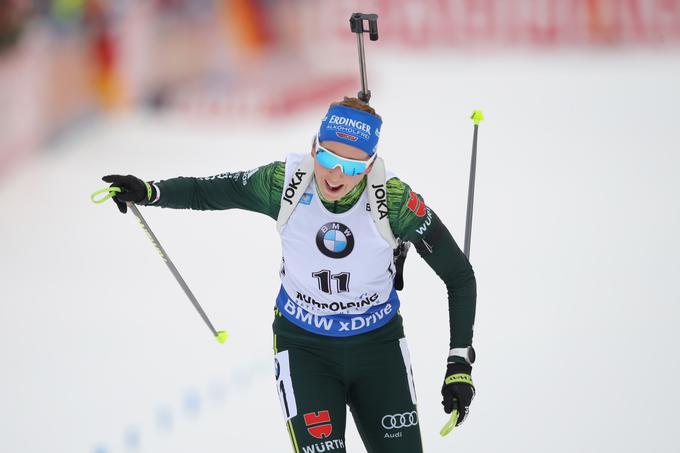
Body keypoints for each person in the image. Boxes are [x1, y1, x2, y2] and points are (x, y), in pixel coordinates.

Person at [102, 97, 477, 453]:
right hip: (304, 348)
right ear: (314, 147)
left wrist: (459, 362)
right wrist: (151, 192)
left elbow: (459, 276)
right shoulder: (284, 184)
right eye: (328, 157)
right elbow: (209, 191)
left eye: (351, 167)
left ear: (369, 165)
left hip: (378, 348)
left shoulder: (394, 202)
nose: (334, 174)